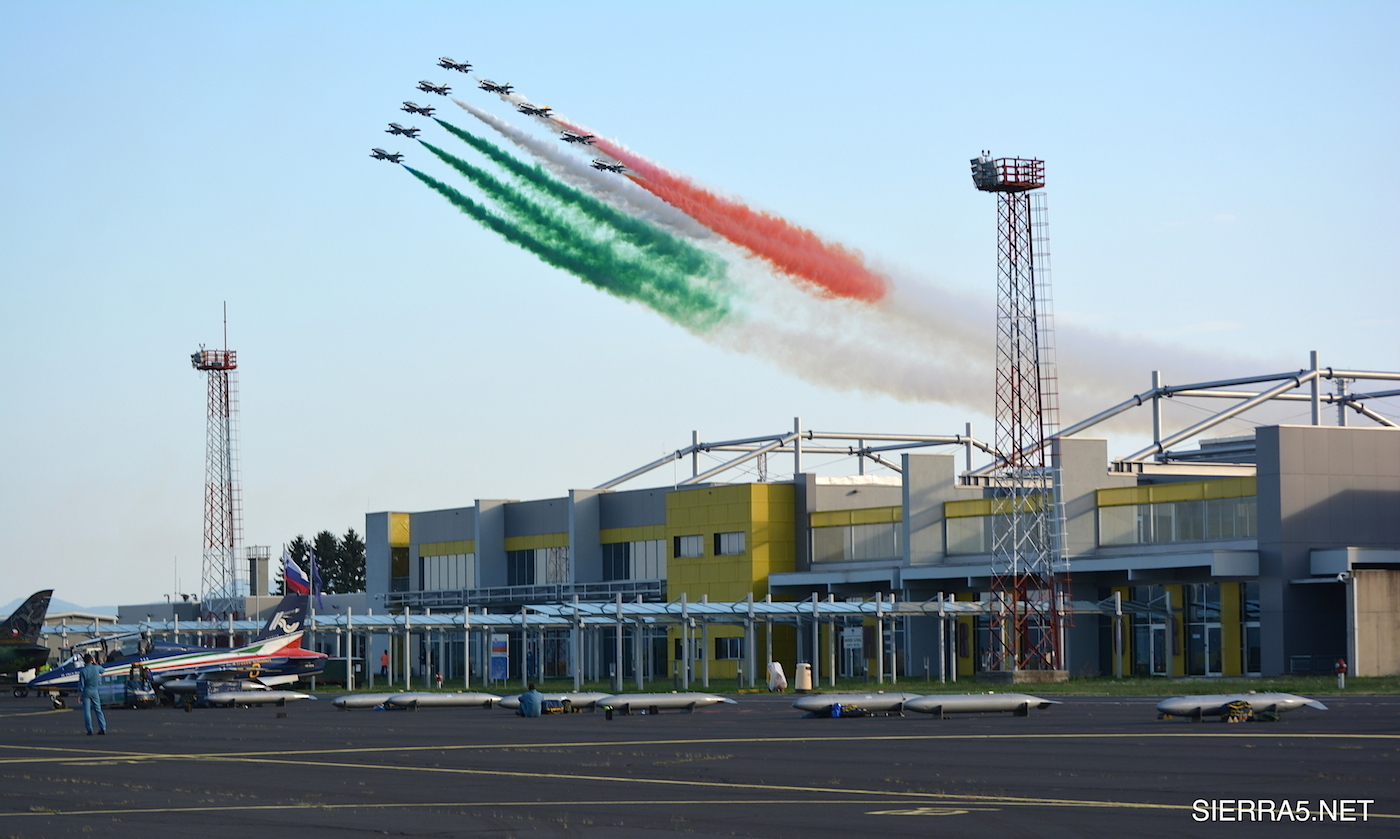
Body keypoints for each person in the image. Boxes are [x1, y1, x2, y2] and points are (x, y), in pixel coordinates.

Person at [77, 654, 106, 736]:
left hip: (86, 690)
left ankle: (89, 729)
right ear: (91, 660)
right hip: (95, 690)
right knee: (98, 710)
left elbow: (81, 684)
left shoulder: (82, 671)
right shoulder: (96, 668)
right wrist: (96, 663)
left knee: (87, 711)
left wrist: (79, 694)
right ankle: (102, 727)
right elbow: (103, 670)